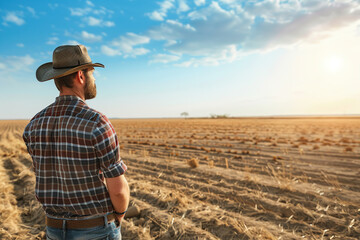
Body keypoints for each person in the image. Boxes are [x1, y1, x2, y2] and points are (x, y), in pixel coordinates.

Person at [22, 45, 129, 240]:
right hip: (96, 230)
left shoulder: (34, 124)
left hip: (53, 229)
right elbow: (118, 189)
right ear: (81, 76)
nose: (94, 79)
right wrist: (119, 215)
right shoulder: (97, 122)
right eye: (92, 74)